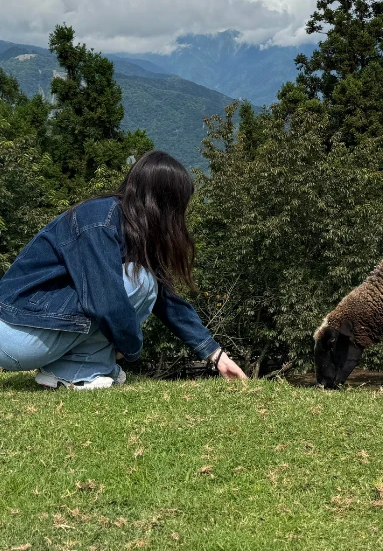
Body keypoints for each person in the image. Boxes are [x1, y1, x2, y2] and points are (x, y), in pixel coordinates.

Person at [0, 151, 247, 389]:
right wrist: (130, 347)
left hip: (27, 329)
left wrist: (216, 355)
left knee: (146, 282)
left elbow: (167, 300)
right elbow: (106, 303)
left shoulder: (128, 227)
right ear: (163, 203)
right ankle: (81, 372)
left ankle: (69, 371)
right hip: (13, 333)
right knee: (140, 281)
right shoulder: (99, 220)